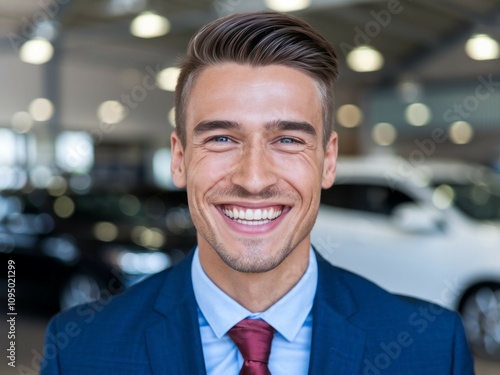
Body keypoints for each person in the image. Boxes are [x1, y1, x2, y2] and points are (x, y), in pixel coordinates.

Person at [41, 11, 474, 375]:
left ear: (328, 161)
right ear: (179, 159)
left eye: (287, 140)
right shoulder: (80, 351)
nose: (253, 179)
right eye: (222, 139)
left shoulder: (431, 349)